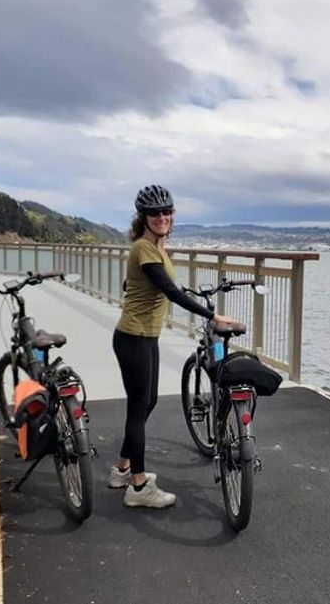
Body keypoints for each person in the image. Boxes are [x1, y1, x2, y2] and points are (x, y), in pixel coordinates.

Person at [109, 184, 236, 508]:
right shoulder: (145, 248)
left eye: (167, 212)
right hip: (134, 337)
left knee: (146, 403)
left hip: (144, 336)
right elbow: (169, 291)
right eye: (155, 213)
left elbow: (147, 283)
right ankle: (137, 488)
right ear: (144, 217)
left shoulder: (155, 248)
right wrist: (212, 314)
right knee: (139, 408)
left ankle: (122, 469)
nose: (162, 217)